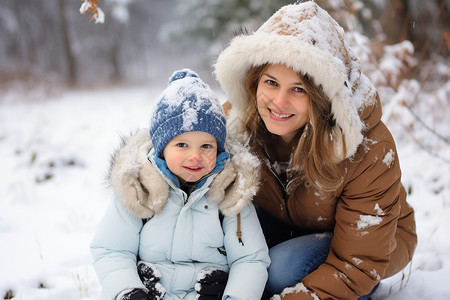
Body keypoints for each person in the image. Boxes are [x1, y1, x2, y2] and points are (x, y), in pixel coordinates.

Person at [212, 1, 417, 299]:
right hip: (289, 225)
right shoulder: (241, 119)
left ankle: (360, 290)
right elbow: (184, 147)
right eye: (271, 82)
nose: (278, 102)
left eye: (298, 89)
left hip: (371, 242)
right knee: (225, 241)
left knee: (281, 269)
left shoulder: (368, 149)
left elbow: (354, 263)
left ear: (322, 96)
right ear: (255, 82)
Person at [90, 69, 270, 300]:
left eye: (206, 146)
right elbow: (111, 250)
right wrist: (128, 290)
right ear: (162, 148)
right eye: (182, 145)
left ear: (219, 148)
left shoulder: (231, 193)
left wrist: (234, 295)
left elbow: (250, 259)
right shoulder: (138, 189)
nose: (195, 156)